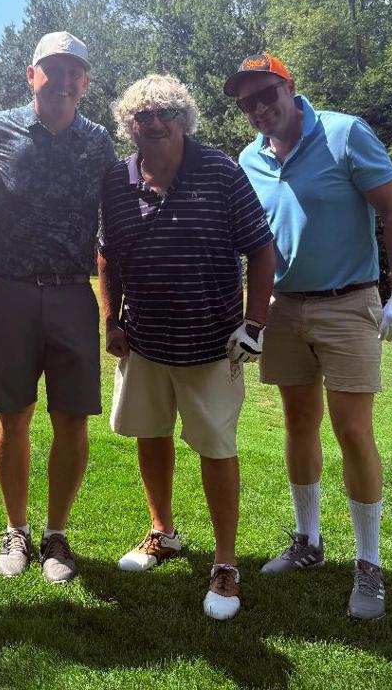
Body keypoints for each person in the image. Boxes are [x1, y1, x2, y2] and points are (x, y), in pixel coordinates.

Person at [224, 52, 392, 621]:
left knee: (353, 431)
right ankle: (308, 541)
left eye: (267, 94)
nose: (260, 109)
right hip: (284, 309)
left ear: (290, 87)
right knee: (298, 424)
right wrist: (251, 317)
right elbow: (252, 245)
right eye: (248, 103)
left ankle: (369, 564)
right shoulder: (249, 159)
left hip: (348, 302)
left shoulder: (344, 134)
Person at [98, 74, 275, 620]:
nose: (154, 123)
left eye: (166, 114)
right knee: (150, 435)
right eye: (142, 116)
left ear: (184, 120)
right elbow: (108, 253)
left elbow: (261, 250)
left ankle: (226, 563)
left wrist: (254, 324)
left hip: (211, 343)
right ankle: (163, 532)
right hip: (145, 341)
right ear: (129, 125)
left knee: (216, 448)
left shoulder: (221, 171)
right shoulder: (117, 180)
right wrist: (110, 319)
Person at [0, 31, 117, 584]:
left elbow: (117, 220)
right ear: (31, 75)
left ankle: (56, 534)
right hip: (8, 290)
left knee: (72, 419)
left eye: (73, 71)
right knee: (12, 417)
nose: (62, 79)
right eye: (52, 69)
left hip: (71, 292)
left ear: (85, 82)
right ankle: (17, 530)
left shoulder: (98, 141)